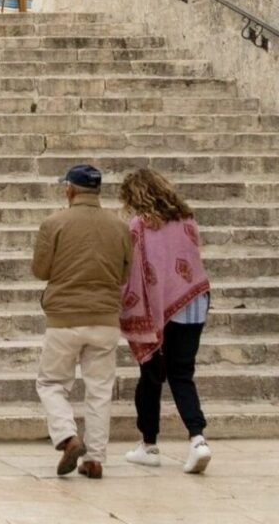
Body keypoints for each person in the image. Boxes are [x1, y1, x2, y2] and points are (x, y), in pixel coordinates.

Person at [32, 163, 131, 480]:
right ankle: (95, 458)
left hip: (64, 318)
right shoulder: (119, 227)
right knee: (100, 390)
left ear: (70, 189)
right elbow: (125, 274)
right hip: (104, 318)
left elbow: (41, 270)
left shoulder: (54, 223)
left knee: (51, 383)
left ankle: (67, 436)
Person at [118, 167, 213, 475]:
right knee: (182, 374)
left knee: (151, 374)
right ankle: (198, 439)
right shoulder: (188, 220)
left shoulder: (140, 227)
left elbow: (134, 274)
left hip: (159, 310)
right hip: (194, 301)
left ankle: (148, 444)